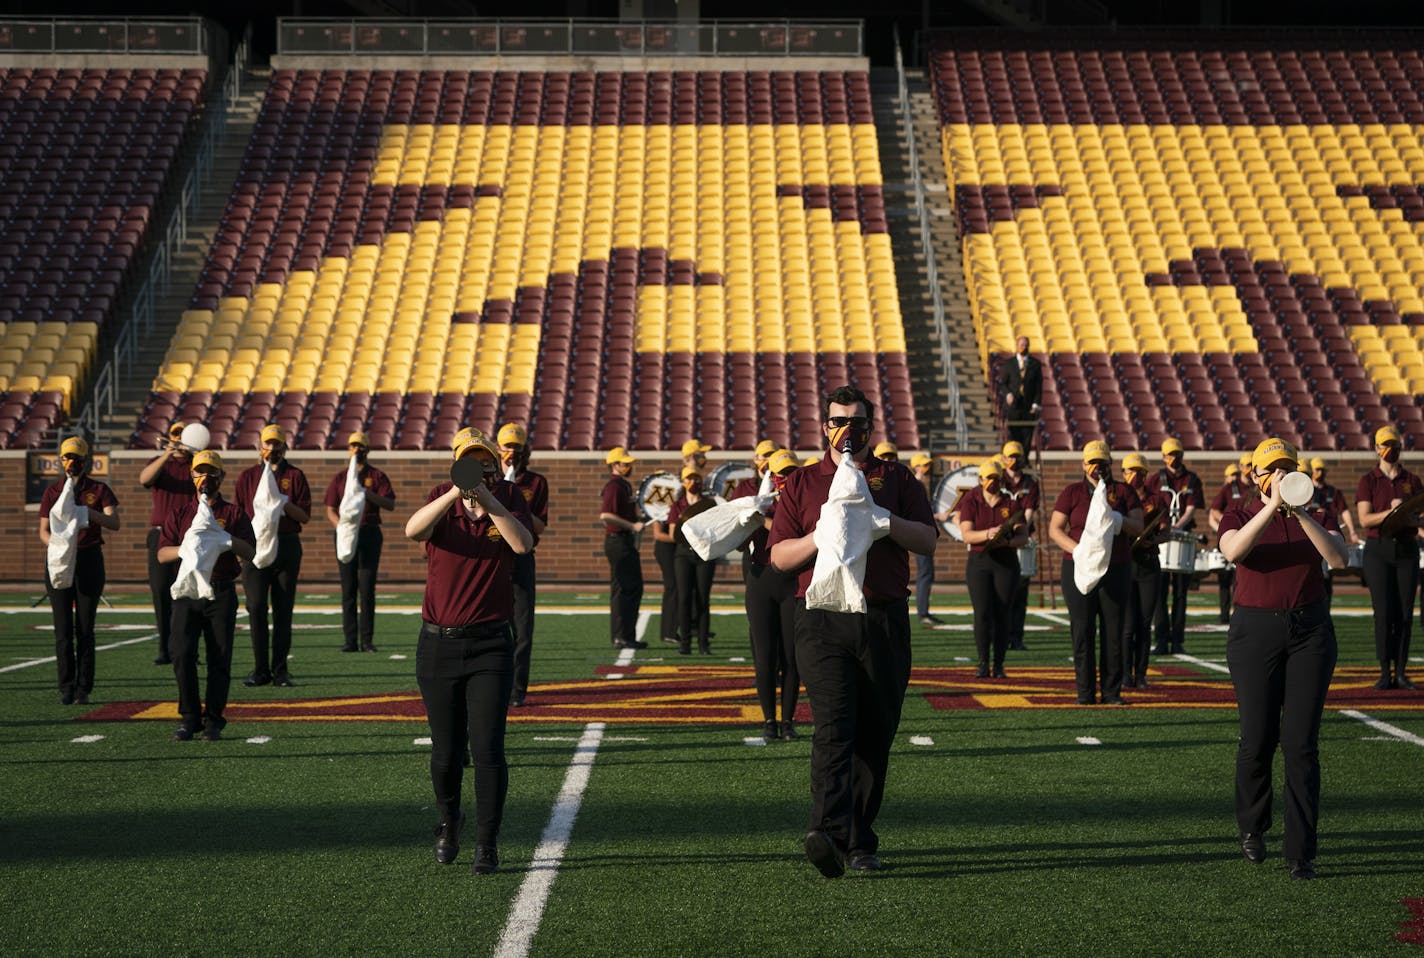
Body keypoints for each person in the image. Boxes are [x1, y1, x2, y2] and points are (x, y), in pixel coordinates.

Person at [769, 385, 937, 878]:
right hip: (821, 619)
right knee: (833, 726)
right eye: (838, 421)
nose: (847, 431)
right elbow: (779, 557)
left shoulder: (896, 477)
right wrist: (818, 537)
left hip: (882, 618)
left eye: (857, 423)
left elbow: (927, 539)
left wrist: (884, 521)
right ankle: (823, 831)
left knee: (875, 733)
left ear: (871, 427)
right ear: (824, 427)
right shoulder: (801, 482)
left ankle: (861, 839)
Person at [404, 429, 534, 875]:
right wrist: (456, 495)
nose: (476, 467)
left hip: (490, 645)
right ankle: (448, 820)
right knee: (445, 750)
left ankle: (487, 842)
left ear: (494, 464)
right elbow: (412, 529)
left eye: (483, 460)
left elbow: (523, 544)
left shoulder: (511, 496)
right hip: (438, 642)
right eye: (467, 460)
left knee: (488, 748)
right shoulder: (442, 495)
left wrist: (488, 499)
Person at [1219, 437, 1347, 880]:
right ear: (1255, 476)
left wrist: (1302, 511)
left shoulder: (1320, 514)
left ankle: (1301, 851)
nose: (1281, 475)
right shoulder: (1238, 513)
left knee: (1301, 744)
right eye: (1271, 469)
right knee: (1257, 738)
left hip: (1310, 629)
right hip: (1255, 631)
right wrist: (1272, 507)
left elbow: (1338, 557)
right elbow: (1234, 551)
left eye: (1288, 467)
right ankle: (1253, 829)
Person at [156, 451, 256, 741]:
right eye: (200, 472)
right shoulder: (180, 513)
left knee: (219, 657)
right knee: (181, 653)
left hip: (220, 591)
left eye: (212, 473)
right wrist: (183, 550)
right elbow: (162, 553)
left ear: (221, 477)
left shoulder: (234, 513)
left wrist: (227, 541)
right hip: (187, 592)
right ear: (192, 476)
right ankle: (189, 716)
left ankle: (214, 718)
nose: (205, 478)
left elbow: (250, 552)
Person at [1049, 441, 1143, 706]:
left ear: (1110, 464)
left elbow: (1138, 526)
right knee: (1082, 630)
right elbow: (1055, 528)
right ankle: (1085, 692)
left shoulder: (1124, 491)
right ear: (1083, 464)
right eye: (1092, 462)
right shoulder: (1072, 492)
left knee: (1113, 632)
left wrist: (1120, 520)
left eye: (1102, 462)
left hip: (1117, 567)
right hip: (1078, 567)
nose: (1097, 467)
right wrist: (1077, 550)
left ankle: (1112, 692)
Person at [38, 436, 120, 706]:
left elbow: (114, 522)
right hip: (60, 560)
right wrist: (59, 546)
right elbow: (43, 531)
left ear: (85, 460)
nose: (70, 462)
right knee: (62, 629)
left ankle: (84, 687)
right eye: (66, 457)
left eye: (75, 457)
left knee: (85, 627)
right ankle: (66, 686)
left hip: (88, 559)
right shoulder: (52, 491)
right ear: (61, 459)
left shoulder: (98, 489)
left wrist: (87, 513)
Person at [236, 424, 312, 688]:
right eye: (268, 444)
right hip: (254, 547)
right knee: (256, 608)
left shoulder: (295, 475)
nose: (272, 449)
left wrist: (282, 501)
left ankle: (281, 670)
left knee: (283, 610)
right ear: (261, 446)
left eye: (277, 444)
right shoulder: (247, 477)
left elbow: (305, 516)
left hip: (287, 545)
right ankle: (260, 670)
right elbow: (239, 516)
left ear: (284, 447)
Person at [734, 448, 802, 740]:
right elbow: (737, 544)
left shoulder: (803, 500)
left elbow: (793, 537)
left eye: (790, 473)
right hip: (761, 578)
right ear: (770, 476)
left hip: (791, 581)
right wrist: (745, 520)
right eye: (780, 473)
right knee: (764, 658)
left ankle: (787, 721)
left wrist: (762, 520)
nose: (785, 478)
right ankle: (769, 721)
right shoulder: (758, 501)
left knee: (791, 656)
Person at [1356, 425, 1421, 690]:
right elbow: (1364, 519)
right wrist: (1393, 512)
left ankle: (1402, 672)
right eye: (1384, 445)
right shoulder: (1368, 481)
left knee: (1405, 613)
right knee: (1383, 614)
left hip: (1406, 547)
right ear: (1376, 448)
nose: (1389, 450)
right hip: (1378, 548)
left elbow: (1419, 515)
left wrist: (1406, 514)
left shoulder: (1413, 481)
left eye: (1393, 445)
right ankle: (1385, 671)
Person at [323, 431, 396, 654]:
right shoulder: (340, 477)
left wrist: (365, 493)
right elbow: (330, 509)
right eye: (353, 446)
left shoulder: (376, 476)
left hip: (369, 533)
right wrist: (342, 528)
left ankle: (367, 640)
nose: (357, 450)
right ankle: (350, 640)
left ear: (367, 449)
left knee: (366, 588)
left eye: (361, 446)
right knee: (348, 589)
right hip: (346, 534)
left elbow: (389, 503)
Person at [956, 459, 1028, 678]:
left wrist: (1005, 540)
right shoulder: (971, 500)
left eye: (997, 479)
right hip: (979, 560)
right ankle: (983, 663)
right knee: (982, 613)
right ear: (980, 479)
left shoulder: (1011, 503)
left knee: (1002, 613)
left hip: (1005, 562)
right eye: (989, 478)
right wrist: (988, 534)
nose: (993, 482)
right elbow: (966, 534)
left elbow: (1023, 536)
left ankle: (999, 664)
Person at [497, 422, 548, 707]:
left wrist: (514, 497)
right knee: (494, 625)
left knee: (523, 627)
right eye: (507, 447)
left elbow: (539, 525)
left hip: (522, 558)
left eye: (516, 447)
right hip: (493, 558)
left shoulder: (536, 482)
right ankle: (495, 684)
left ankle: (517, 689)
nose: (511, 452)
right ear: (497, 448)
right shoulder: (488, 478)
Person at [138, 421, 193, 665]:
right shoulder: (159, 463)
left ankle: (190, 647)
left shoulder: (197, 464)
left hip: (190, 537)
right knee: (161, 592)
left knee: (190, 592)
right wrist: (167, 454)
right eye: (175, 435)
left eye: (183, 435)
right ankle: (165, 649)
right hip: (161, 536)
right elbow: (144, 479)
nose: (179, 439)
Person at [1147, 437, 1203, 655]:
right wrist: (1164, 529)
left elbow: (1191, 508)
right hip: (1162, 537)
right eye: (1169, 455)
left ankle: (1177, 640)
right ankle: (1160, 640)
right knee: (1159, 593)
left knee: (1181, 593)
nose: (1173, 459)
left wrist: (1177, 527)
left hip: (1182, 537)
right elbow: (1151, 507)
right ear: (1163, 456)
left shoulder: (1192, 478)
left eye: (1177, 454)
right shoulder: (1155, 479)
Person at [1124, 453, 1168, 689]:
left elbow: (1166, 530)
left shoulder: (1156, 499)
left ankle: (1140, 674)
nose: (1134, 476)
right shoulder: (1118, 497)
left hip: (1149, 563)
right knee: (1127, 624)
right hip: (1126, 564)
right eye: (1130, 471)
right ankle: (1124, 675)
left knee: (1144, 622)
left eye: (1139, 472)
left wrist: (1154, 541)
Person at [599, 446, 646, 650]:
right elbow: (606, 515)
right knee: (624, 589)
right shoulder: (614, 486)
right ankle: (621, 636)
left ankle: (626, 635)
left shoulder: (623, 485)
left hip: (623, 540)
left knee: (630, 588)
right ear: (615, 465)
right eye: (625, 463)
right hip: (618, 541)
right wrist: (632, 526)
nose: (629, 466)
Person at [668, 465, 717, 655]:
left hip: (704, 553)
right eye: (689, 479)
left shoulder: (709, 503)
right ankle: (685, 642)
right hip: (683, 554)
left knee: (703, 598)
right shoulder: (677, 505)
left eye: (696, 479)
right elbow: (673, 535)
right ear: (683, 482)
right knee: (684, 598)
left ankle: (703, 643)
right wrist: (683, 520)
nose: (693, 483)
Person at [999, 440, 1040, 650]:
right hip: (1001, 539)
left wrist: (1018, 531)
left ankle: (1016, 636)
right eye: (1010, 456)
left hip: (1020, 538)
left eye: (1017, 456)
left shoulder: (1030, 483)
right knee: (1001, 590)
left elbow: (1029, 514)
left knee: (1021, 592)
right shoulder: (998, 479)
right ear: (1003, 458)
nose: (1013, 460)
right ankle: (1000, 636)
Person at [1208, 462, 1253, 624]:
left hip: (1247, 538)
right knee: (1224, 579)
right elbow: (1214, 512)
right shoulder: (1229, 488)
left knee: (1241, 579)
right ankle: (1224, 615)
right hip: (1231, 537)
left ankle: (1239, 613)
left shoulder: (1256, 487)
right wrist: (1228, 525)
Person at [909, 452, 941, 626]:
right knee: (925, 573)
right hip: (919, 532)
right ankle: (923, 613)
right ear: (916, 466)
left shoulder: (920, 484)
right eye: (923, 465)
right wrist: (938, 516)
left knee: (927, 572)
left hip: (920, 531)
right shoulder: (917, 484)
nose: (927, 468)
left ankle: (925, 611)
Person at [997, 335, 1042, 450]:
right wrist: (1008, 394)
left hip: (1028, 406)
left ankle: (1024, 460)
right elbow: (1003, 383)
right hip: (1013, 407)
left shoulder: (1035, 364)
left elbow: (1038, 386)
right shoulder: (1009, 364)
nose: (1024, 347)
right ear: (1017, 346)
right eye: (1022, 345)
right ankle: (1015, 458)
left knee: (1027, 435)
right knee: (1014, 434)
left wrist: (1035, 404)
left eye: (1026, 345)